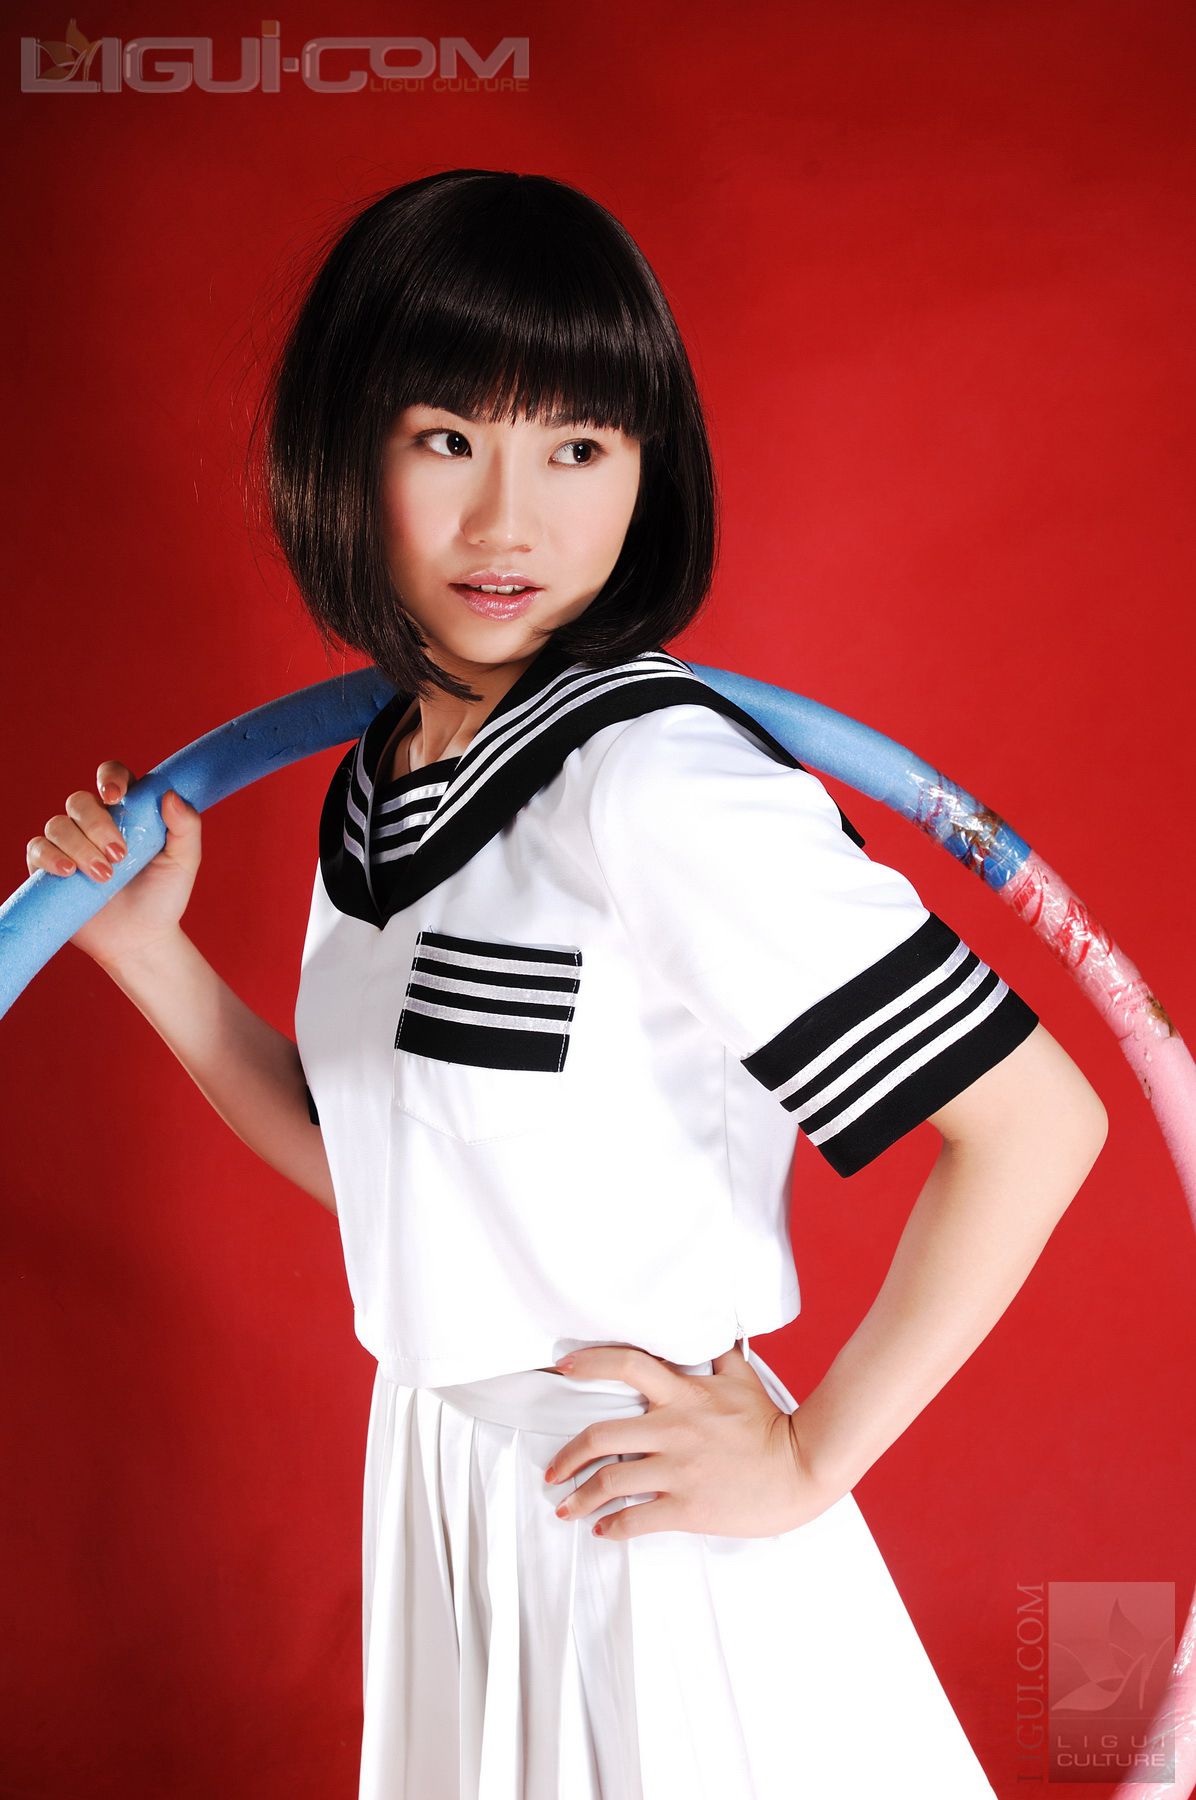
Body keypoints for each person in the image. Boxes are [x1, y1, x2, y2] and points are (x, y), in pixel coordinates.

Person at [26, 169, 1108, 1798]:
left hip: (631, 1513)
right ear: (347, 448)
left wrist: (808, 1461)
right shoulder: (382, 776)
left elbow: (1037, 1123)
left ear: (648, 468)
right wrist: (148, 958)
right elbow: (395, 1173)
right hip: (443, 1478)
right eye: (447, 437)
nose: (507, 522)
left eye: (578, 448)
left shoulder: (658, 785)